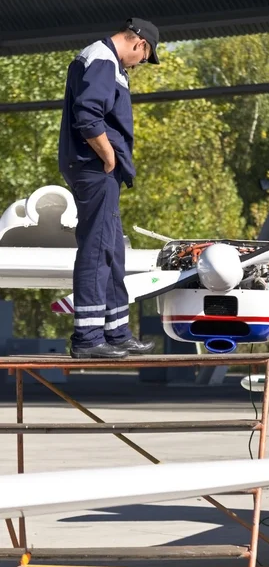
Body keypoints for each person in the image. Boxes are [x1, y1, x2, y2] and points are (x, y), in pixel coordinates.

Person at [58, 18, 158, 359]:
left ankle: (115, 332)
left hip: (97, 169)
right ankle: (87, 339)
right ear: (139, 44)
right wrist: (109, 157)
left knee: (113, 250)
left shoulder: (103, 59)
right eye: (144, 57)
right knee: (97, 249)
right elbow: (87, 115)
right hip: (94, 167)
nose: (141, 63)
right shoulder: (102, 58)